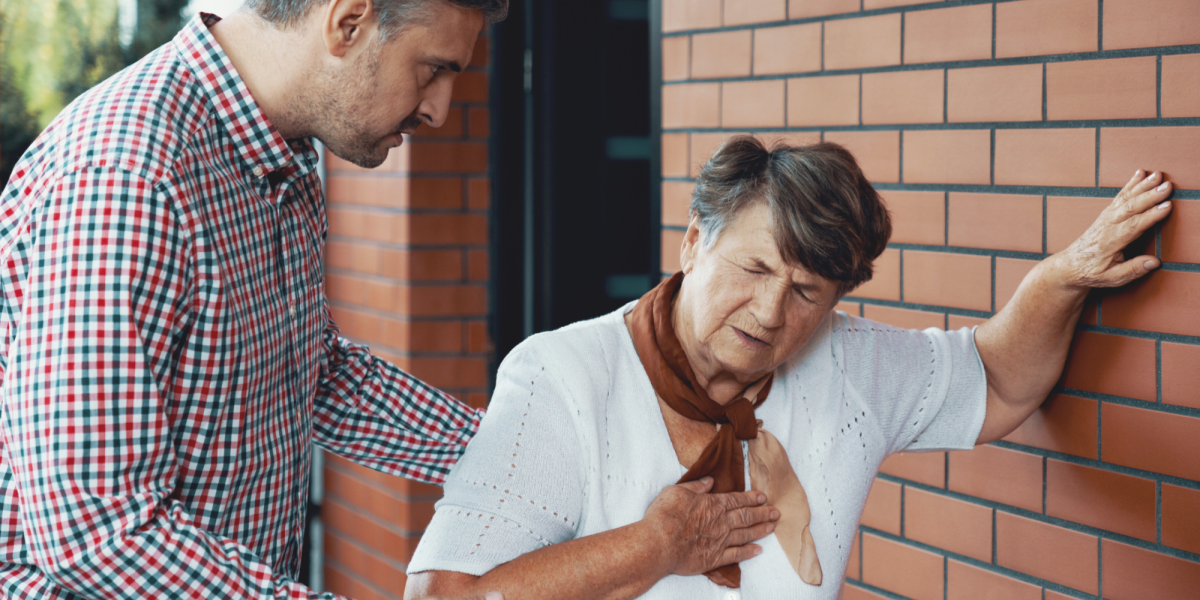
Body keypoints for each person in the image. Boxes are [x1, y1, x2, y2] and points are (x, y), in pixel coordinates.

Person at [404, 136, 1175, 600]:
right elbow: (444, 597)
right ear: (694, 243)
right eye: (753, 268)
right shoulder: (561, 376)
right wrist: (656, 546)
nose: (771, 313)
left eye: (807, 292)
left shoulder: (847, 362)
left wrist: (1059, 281)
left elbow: (999, 379)